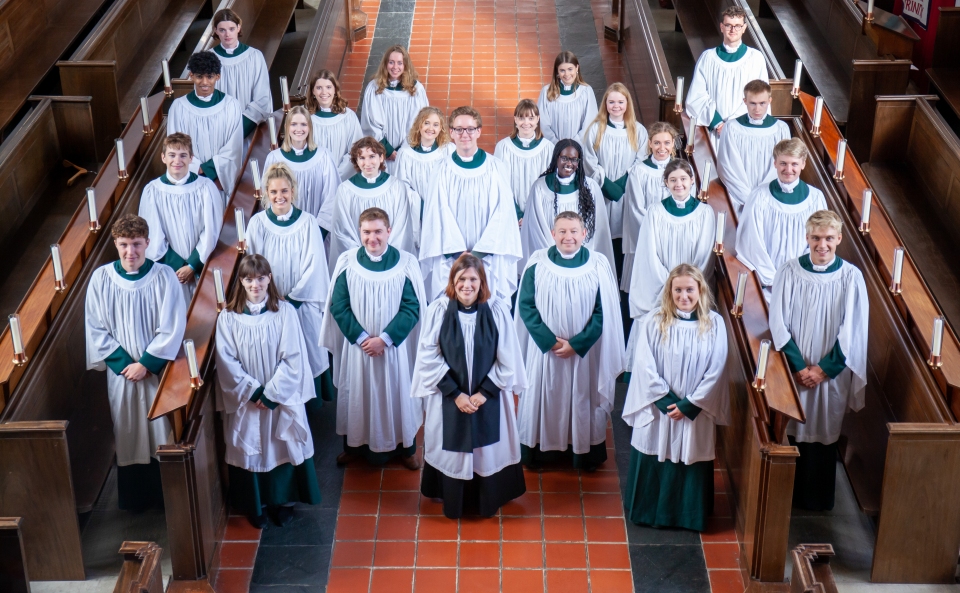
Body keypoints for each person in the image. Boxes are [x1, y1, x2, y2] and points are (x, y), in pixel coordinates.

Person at [412, 253, 528, 519]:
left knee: (487, 451)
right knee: (452, 449)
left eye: (473, 279)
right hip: (449, 397)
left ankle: (487, 496)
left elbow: (508, 358)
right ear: (453, 280)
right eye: (461, 278)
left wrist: (483, 394)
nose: (467, 285)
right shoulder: (439, 310)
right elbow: (428, 356)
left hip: (489, 397)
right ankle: (454, 497)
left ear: (482, 281)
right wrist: (455, 394)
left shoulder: (497, 310)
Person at [85, 214, 186, 511]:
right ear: (116, 244)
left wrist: (146, 363)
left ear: (148, 244)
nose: (131, 252)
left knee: (159, 429)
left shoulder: (165, 276)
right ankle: (134, 501)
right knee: (127, 429)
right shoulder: (102, 279)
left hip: (156, 371)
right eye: (125, 245)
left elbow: (173, 324)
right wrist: (124, 364)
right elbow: (95, 328)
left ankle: (166, 497)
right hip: (122, 375)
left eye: (137, 244)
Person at [769, 210, 867, 511]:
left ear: (838, 238)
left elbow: (854, 330)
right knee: (794, 429)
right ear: (807, 237)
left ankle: (818, 501)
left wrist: (823, 371)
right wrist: (800, 367)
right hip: (796, 370)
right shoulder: (789, 271)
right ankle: (789, 499)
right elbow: (778, 323)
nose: (821, 244)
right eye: (815, 238)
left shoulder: (850, 277)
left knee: (824, 430)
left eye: (828, 238)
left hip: (830, 374)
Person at [215, 254, 320, 528]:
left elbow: (294, 357)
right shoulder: (228, 318)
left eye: (260, 278)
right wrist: (253, 392)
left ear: (269, 279)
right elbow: (226, 361)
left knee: (281, 445)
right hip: (246, 399)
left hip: (279, 398)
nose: (255, 284)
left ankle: (282, 502)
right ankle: (257, 504)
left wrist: (271, 393)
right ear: (241, 281)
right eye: (249, 279)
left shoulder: (284, 312)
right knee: (250, 446)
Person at [622, 264, 729, 531]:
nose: (684, 296)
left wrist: (689, 405)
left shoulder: (714, 323)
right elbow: (645, 365)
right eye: (678, 289)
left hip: (695, 408)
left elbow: (717, 369)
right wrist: (668, 402)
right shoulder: (654, 320)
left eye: (689, 289)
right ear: (669, 291)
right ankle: (649, 512)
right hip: (660, 409)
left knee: (692, 451)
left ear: (700, 290)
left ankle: (689, 516)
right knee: (654, 447)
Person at [516, 212, 625, 471]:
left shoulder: (598, 264)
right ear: (552, 234)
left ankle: (582, 454)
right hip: (545, 353)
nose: (568, 237)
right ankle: (539, 452)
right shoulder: (537, 262)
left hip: (583, 354)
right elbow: (526, 306)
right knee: (545, 397)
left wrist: (576, 344)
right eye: (562, 231)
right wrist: (551, 342)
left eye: (574, 231)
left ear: (584, 234)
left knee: (581, 399)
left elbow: (604, 312)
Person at [320, 208, 427, 470]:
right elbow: (339, 305)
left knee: (397, 393)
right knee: (358, 394)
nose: (372, 238)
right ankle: (355, 447)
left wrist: (386, 339)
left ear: (389, 231)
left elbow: (411, 307)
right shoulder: (347, 263)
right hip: (360, 348)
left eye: (378, 231)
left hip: (393, 349)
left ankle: (405, 448)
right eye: (366, 232)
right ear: (360, 232)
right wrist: (362, 337)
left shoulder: (406, 264)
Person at [246, 163, 333, 405]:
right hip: (271, 302)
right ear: (266, 193)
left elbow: (315, 264)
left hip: (302, 303)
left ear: (293, 191)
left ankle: (310, 407)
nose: (279, 197)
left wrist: (293, 299)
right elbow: (253, 263)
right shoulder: (258, 223)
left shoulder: (307, 222)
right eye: (273, 192)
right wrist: (271, 297)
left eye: (284, 191)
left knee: (307, 349)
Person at [419, 106, 522, 301]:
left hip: (489, 258)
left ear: (479, 131)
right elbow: (437, 214)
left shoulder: (496, 167)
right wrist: (460, 253)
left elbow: (504, 214)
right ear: (451, 133)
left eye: (470, 129)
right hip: (450, 258)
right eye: (459, 129)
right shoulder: (440, 170)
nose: (464, 134)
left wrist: (478, 253)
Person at [139, 133, 224, 306]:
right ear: (163, 157)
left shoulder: (206, 188)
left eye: (183, 155)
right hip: (169, 271)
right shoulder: (152, 191)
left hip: (201, 267)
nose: (177, 160)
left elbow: (211, 230)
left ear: (191, 158)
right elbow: (152, 235)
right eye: (172, 155)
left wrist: (192, 266)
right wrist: (180, 267)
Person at [736, 138, 827, 294]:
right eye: (783, 163)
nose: (788, 169)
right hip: (766, 284)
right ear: (775, 163)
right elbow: (752, 241)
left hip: (802, 281)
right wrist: (772, 279)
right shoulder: (759, 196)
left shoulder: (815, 198)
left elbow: (820, 240)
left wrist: (800, 272)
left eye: (794, 164)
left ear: (803, 164)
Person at [628, 160, 716, 320]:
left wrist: (687, 286)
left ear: (691, 180)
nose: (679, 184)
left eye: (683, 179)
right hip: (661, 287)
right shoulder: (655, 212)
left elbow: (704, 257)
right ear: (666, 182)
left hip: (692, 290)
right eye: (673, 180)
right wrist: (670, 285)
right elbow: (649, 254)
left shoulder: (705, 213)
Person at [582, 82, 649, 272]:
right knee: (604, 235)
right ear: (605, 104)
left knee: (623, 236)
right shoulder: (596, 129)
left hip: (627, 192)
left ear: (627, 104)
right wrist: (607, 185)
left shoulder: (638, 130)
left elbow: (641, 160)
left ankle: (621, 275)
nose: (616, 106)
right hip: (603, 191)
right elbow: (589, 160)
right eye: (611, 102)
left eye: (620, 102)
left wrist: (622, 184)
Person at [519, 139, 615, 270]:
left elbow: (597, 229)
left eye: (574, 159)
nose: (569, 163)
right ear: (556, 158)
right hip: (550, 259)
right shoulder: (540, 187)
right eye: (564, 158)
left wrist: (578, 253)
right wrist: (555, 253)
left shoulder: (591, 188)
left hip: (582, 259)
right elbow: (536, 228)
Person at [328, 137, 419, 268]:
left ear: (381, 158)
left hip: (389, 262)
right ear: (356, 161)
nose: (368, 162)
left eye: (372, 156)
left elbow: (401, 228)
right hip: (359, 262)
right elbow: (342, 230)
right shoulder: (345, 190)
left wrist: (386, 254)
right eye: (362, 158)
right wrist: (363, 256)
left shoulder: (396, 187)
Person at [167, 51, 244, 200]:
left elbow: (233, 148)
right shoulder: (179, 107)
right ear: (191, 76)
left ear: (218, 76)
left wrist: (209, 170)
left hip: (219, 182)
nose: (204, 82)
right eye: (199, 76)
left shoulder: (231, 105)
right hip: (191, 181)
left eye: (209, 76)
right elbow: (176, 146)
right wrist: (196, 168)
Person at [686, 6, 768, 143]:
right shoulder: (708, 58)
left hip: (744, 130)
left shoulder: (755, 58)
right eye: (728, 25)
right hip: (715, 130)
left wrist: (732, 124)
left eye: (737, 26)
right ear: (721, 27)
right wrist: (718, 123)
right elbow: (696, 96)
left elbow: (759, 97)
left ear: (744, 28)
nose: (732, 30)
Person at [264, 106, 340, 236]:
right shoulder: (274, 158)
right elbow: (269, 196)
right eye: (294, 124)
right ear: (287, 127)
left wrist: (317, 233)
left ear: (310, 127)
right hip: (284, 231)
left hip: (317, 230)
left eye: (303, 124)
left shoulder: (323, 156)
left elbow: (332, 197)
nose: (299, 129)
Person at [716, 79, 791, 212]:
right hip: (738, 197)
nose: (757, 109)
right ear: (745, 101)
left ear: (770, 101)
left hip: (770, 198)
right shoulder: (732, 127)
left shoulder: (781, 129)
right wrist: (747, 198)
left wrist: (763, 195)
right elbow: (726, 166)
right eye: (753, 103)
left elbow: (782, 165)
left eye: (762, 103)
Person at [621, 122, 678, 292]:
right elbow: (635, 209)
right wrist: (654, 236)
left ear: (673, 143)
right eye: (657, 142)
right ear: (650, 143)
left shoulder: (682, 170)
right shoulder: (639, 171)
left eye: (667, 143)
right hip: (644, 237)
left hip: (672, 239)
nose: (662, 148)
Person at [360, 45, 429, 174]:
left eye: (399, 63)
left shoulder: (416, 90)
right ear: (385, 64)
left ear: (406, 65)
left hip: (407, 152)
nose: (395, 67)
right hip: (380, 152)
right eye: (391, 62)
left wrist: (403, 150)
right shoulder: (374, 88)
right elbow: (371, 123)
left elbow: (419, 123)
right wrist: (388, 150)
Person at [208, 9, 273, 139]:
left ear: (239, 28)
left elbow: (262, 98)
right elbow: (204, 96)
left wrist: (240, 129)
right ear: (215, 30)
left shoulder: (254, 56)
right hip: (218, 131)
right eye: (222, 30)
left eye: (231, 29)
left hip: (249, 128)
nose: (227, 34)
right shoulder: (208, 58)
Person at [494, 99, 555, 223]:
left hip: (539, 214)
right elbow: (499, 184)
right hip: (510, 214)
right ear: (515, 120)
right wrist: (517, 214)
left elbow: (550, 184)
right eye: (521, 118)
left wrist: (532, 213)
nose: (526, 123)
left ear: (538, 119)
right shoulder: (503, 147)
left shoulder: (548, 148)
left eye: (531, 118)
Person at [394, 106, 455, 213]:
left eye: (436, 125)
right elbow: (402, 186)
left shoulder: (448, 150)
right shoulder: (405, 154)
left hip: (444, 210)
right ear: (419, 125)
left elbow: (454, 182)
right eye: (426, 123)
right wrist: (422, 208)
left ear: (441, 128)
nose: (431, 128)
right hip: (417, 213)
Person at [307, 69, 364, 181]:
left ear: (335, 90)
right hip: (314, 179)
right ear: (313, 91)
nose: (324, 92)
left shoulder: (348, 116)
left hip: (342, 179)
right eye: (319, 88)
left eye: (328, 87)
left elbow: (355, 150)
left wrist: (336, 175)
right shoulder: (307, 118)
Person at [538, 51, 599, 144]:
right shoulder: (547, 92)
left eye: (570, 69)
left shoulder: (586, 91)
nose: (567, 74)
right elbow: (543, 123)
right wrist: (557, 144)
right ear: (557, 71)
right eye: (562, 70)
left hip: (579, 146)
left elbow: (590, 121)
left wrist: (574, 144)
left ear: (577, 68)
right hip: (553, 147)